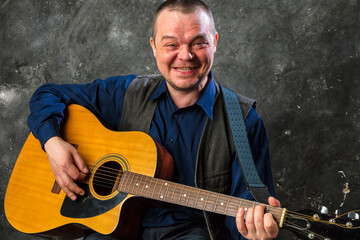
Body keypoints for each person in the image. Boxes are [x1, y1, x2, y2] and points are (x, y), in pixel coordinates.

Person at [28, 0, 280, 239]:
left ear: (214, 42)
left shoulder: (243, 122)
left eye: (198, 43)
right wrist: (52, 143)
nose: (185, 56)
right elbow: (48, 94)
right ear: (153, 46)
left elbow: (246, 214)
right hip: (113, 232)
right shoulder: (125, 93)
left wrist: (253, 232)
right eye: (171, 44)